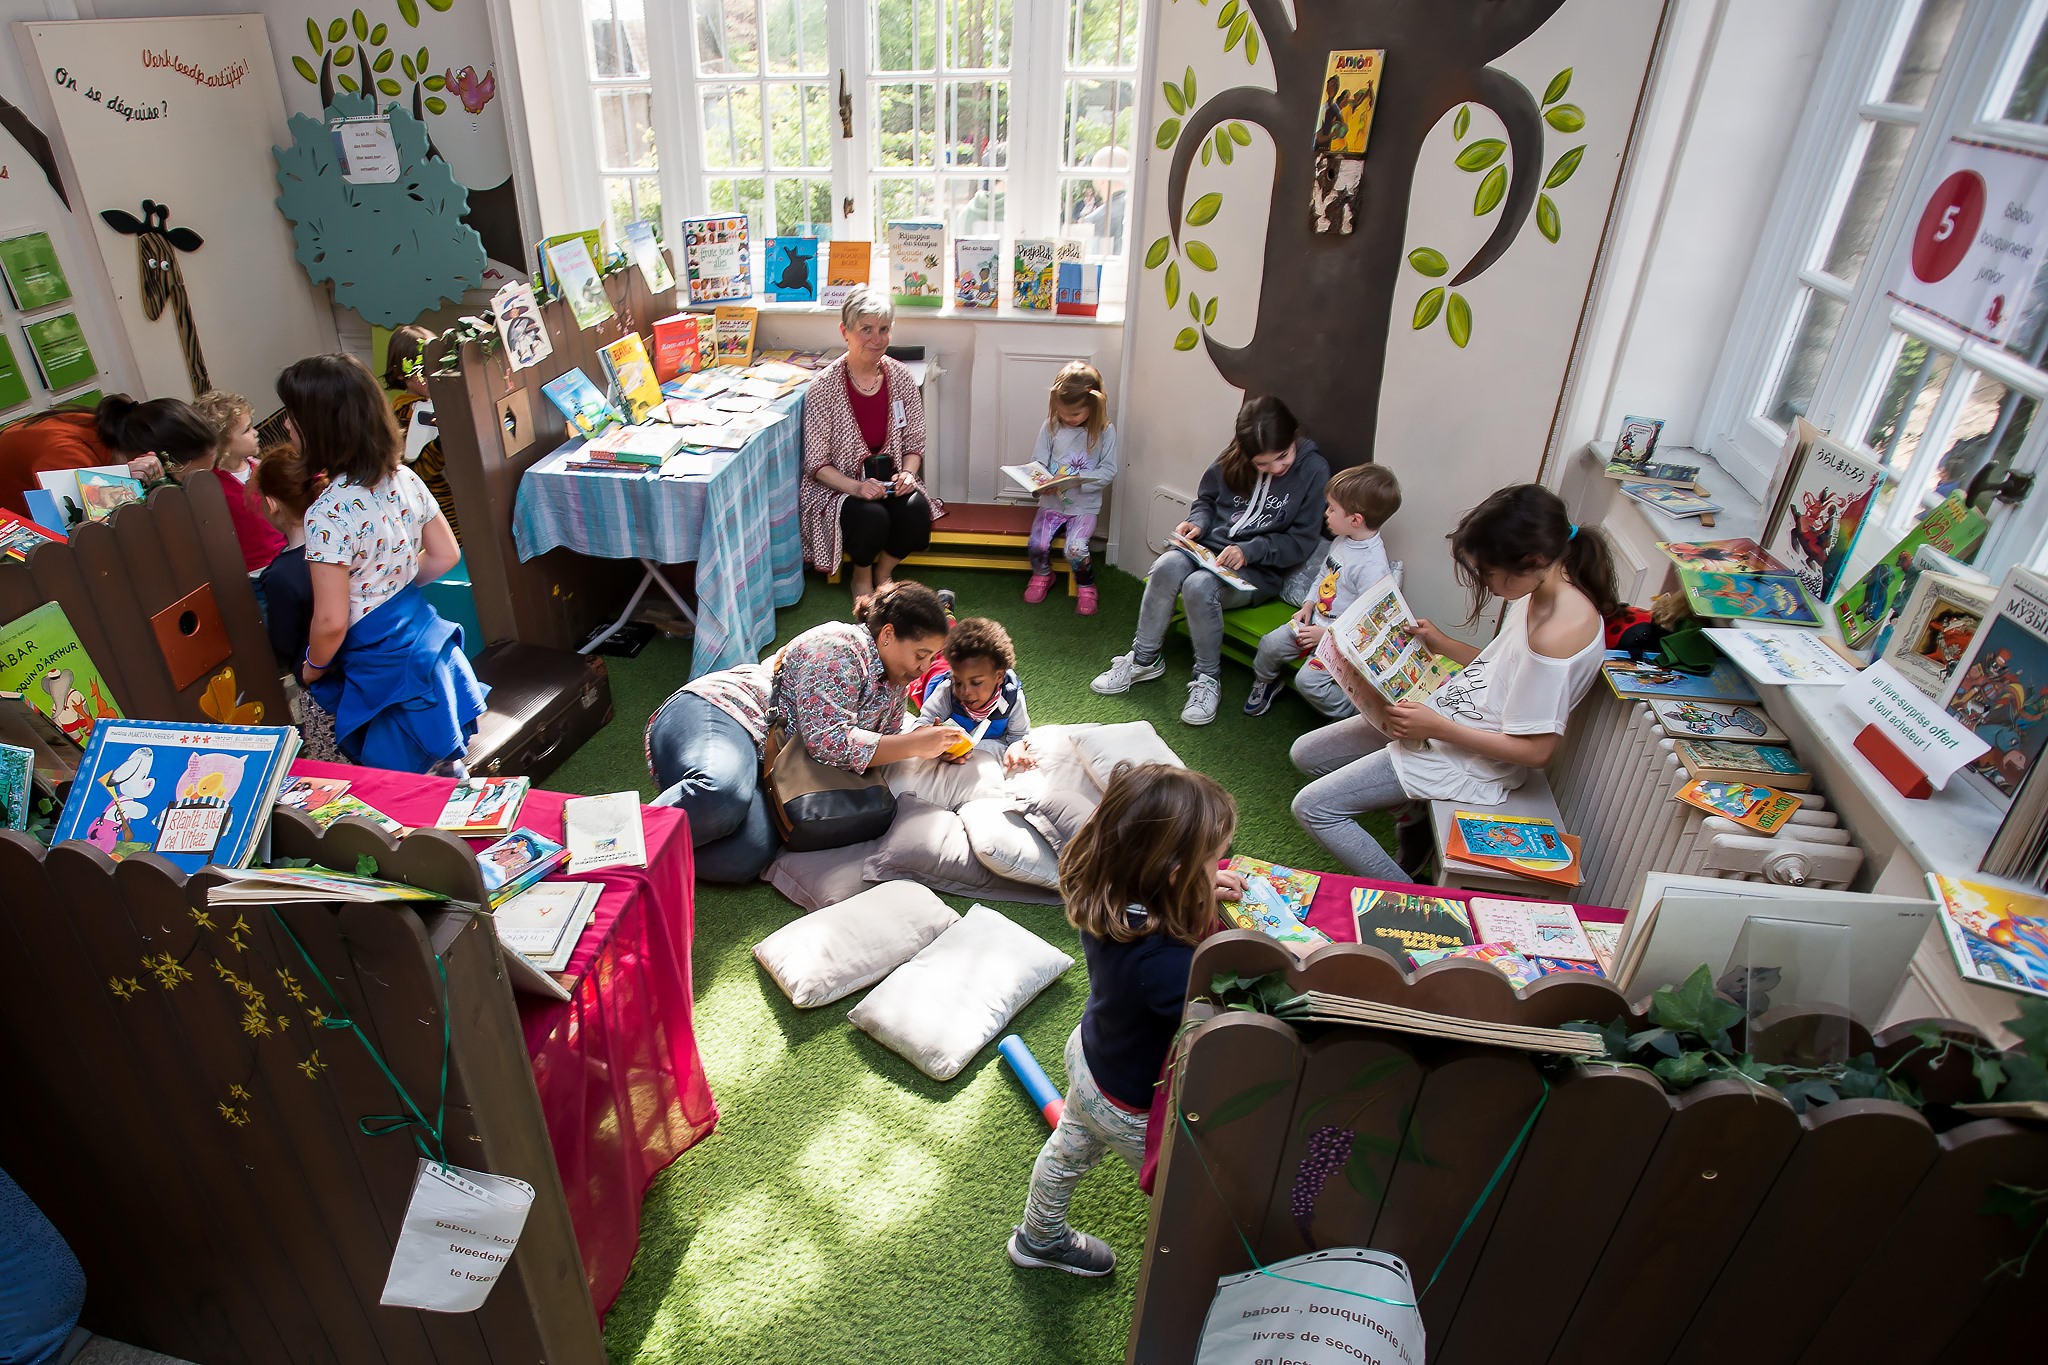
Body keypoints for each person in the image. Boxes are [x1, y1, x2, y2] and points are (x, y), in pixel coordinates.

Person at [1290, 484, 1616, 880]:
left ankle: (1412, 900)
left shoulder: (1557, 632)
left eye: (1488, 572)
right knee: (1307, 753)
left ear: (1530, 560)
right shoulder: (1540, 586)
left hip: (1472, 760)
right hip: (1444, 714)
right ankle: (1413, 819)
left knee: (1314, 808)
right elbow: (1504, 672)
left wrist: (1436, 727)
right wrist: (1443, 644)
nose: (1485, 582)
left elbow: (1536, 751)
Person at [1008, 764, 1243, 1277]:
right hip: (1132, 1106)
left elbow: (1165, 915)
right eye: (1211, 860)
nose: (1217, 867)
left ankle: (1037, 1238)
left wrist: (1201, 888)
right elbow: (1230, 1015)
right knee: (1192, 1185)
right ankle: (1202, 1268)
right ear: (1174, 873)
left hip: (1091, 1059)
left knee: (1066, 1153)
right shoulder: (1165, 967)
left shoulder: (1109, 890)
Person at [644, 581, 961, 883]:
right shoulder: (840, 646)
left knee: (746, 854)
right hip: (724, 710)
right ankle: (618, 845)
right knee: (722, 792)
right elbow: (827, 740)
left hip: (764, 758)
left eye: (931, 658)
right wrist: (912, 745)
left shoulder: (894, 684)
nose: (924, 668)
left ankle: (659, 840)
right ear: (888, 634)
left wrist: (933, 744)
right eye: (921, 655)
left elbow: (884, 742)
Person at [281, 354, 486, 775]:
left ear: (320, 426)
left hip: (379, 664)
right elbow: (446, 554)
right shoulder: (404, 477)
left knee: (394, 780)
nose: (285, 425)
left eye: (292, 414)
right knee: (444, 768)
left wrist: (312, 667)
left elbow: (331, 621)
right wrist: (395, 591)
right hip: (424, 641)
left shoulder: (326, 513)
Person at [1091, 394, 1329, 726]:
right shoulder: (1233, 457)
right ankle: (1144, 660)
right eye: (1262, 464)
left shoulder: (1314, 470)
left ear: (1293, 437)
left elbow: (1301, 542)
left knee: (1199, 586)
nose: (1276, 469)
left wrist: (1250, 551)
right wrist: (1197, 523)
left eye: (1283, 457)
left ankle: (1207, 678)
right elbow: (1206, 500)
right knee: (1165, 566)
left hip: (1258, 571)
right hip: (1208, 551)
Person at [798, 287, 935, 598]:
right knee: (872, 517)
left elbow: (915, 440)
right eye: (866, 329)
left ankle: (883, 571)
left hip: (890, 481)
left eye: (884, 329)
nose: (877, 338)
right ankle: (860, 576)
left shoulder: (901, 376)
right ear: (845, 331)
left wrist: (908, 474)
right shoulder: (823, 387)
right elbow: (816, 463)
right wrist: (857, 488)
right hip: (840, 487)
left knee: (916, 511)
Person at [1244, 463, 1402, 719]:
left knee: (1308, 682)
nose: (1326, 513)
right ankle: (1267, 681)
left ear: (1355, 520)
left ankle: (1350, 714)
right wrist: (1308, 604)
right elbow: (1323, 576)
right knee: (1270, 644)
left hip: (1340, 641)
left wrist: (1327, 636)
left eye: (1332, 508)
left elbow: (1367, 622)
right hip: (1314, 623)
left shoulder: (1372, 567)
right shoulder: (1342, 541)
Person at [254, 441, 346, 763]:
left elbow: (283, 643)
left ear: (272, 503)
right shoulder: (345, 541)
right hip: (368, 671)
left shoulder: (281, 575)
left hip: (324, 688)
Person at [0, 394, 216, 520]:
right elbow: (77, 536)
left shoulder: (113, 431)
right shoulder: (68, 456)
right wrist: (124, 481)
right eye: (180, 483)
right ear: (148, 459)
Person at [1022, 361, 1117, 616]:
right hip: (1051, 503)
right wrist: (1042, 483)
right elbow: (1038, 462)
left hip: (1084, 506)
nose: (1067, 418)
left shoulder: (1105, 432)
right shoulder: (1051, 426)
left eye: (1074, 414)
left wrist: (1079, 479)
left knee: (1075, 548)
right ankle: (1043, 574)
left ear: (1093, 406)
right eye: (1062, 412)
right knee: (1037, 544)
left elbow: (1108, 470)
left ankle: (1086, 585)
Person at [916, 616, 1035, 771]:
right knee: (932, 664)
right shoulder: (947, 691)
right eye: (958, 683)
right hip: (932, 678)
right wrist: (932, 736)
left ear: (999, 676)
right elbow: (921, 725)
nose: (965, 692)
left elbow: (1018, 734)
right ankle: (946, 620)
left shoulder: (1011, 698)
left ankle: (948, 621)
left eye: (976, 682)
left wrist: (1016, 746)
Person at [193, 389, 286, 573]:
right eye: (246, 430)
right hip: (251, 571)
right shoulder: (211, 484)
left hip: (283, 556)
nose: (255, 433)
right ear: (223, 444)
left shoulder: (262, 468)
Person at [383, 324, 461, 540]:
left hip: (458, 508)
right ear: (400, 373)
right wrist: (442, 442)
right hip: (442, 516)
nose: (432, 375)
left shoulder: (441, 402)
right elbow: (418, 472)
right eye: (422, 371)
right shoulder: (406, 413)